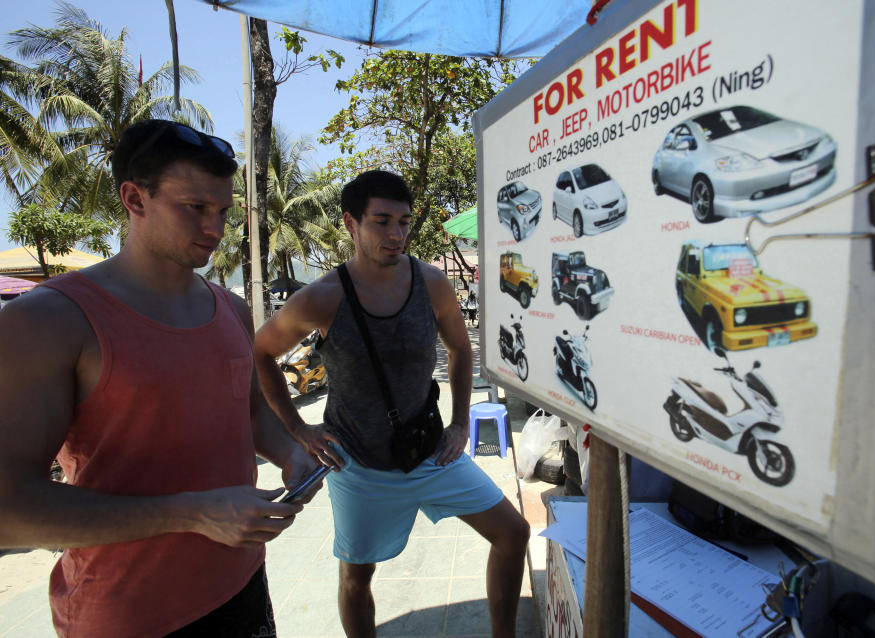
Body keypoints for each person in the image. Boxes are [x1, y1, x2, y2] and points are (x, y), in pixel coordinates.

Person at [0, 119, 320, 638]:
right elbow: (8, 511)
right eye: (195, 208)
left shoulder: (232, 310)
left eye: (222, 211)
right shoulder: (49, 321)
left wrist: (292, 454)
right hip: (129, 615)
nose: (215, 228)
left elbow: (252, 410)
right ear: (135, 198)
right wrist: (191, 514)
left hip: (241, 582)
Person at [254, 170, 530, 638]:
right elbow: (261, 352)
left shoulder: (432, 284)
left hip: (429, 451)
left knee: (513, 533)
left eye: (403, 222)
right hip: (357, 463)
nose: (396, 235)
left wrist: (460, 424)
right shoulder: (323, 298)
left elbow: (462, 349)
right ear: (350, 223)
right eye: (381, 221)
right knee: (357, 577)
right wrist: (298, 430)